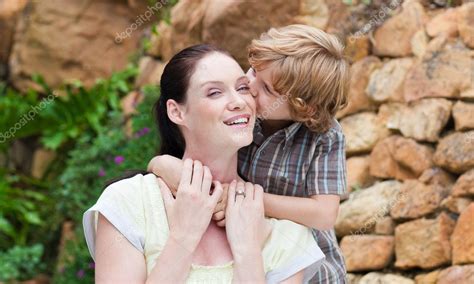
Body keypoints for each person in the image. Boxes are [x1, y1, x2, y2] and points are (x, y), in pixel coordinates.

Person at [83, 44, 324, 283]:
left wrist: (248, 251)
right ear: (177, 112)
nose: (238, 101)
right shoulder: (130, 202)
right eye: (214, 93)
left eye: (242, 88)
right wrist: (183, 237)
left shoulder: (286, 236)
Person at [148, 25, 349, 283]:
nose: (250, 87)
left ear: (305, 109)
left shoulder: (324, 135)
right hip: (243, 253)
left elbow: (324, 214)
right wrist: (161, 163)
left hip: (307, 267)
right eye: (253, 71)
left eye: (267, 90)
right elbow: (191, 149)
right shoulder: (238, 118)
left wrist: (242, 198)